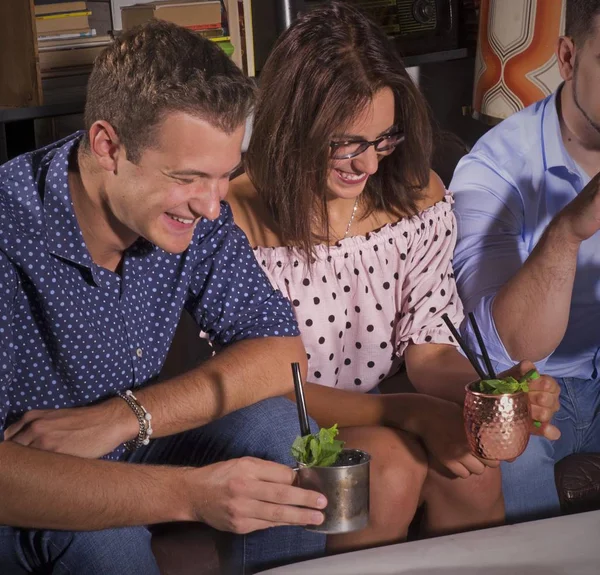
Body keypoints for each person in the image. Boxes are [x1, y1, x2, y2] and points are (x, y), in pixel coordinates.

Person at [227, 1, 561, 553]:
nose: (369, 166)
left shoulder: (415, 195)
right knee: (388, 468)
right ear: (293, 125)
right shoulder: (235, 219)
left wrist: (491, 398)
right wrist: (410, 412)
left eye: (383, 140)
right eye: (347, 143)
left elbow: (429, 346)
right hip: (289, 416)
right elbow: (267, 389)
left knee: (471, 462)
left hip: (394, 401)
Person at [0, 21, 331, 575]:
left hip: (125, 438)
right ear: (108, 145)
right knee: (108, 544)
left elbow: (281, 352)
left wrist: (125, 417)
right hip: (26, 479)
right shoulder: (8, 234)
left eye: (226, 175)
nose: (211, 205)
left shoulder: (199, 213)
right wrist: (191, 494)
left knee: (286, 433)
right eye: (188, 178)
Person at [450, 0, 600, 523]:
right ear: (567, 58)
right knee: (504, 449)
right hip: (534, 389)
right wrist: (566, 234)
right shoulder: (493, 169)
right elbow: (496, 350)